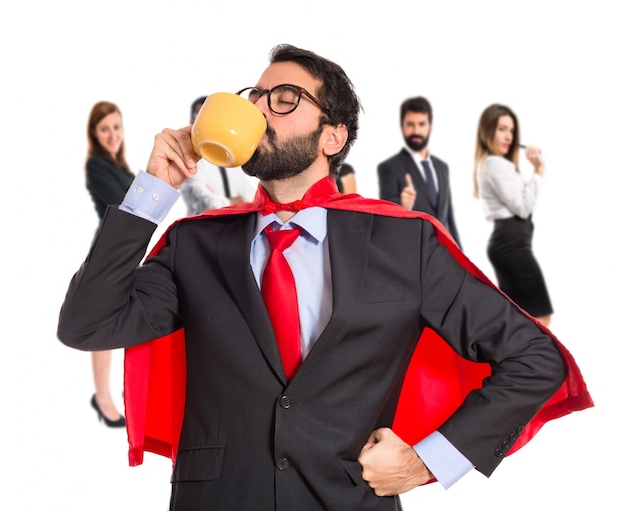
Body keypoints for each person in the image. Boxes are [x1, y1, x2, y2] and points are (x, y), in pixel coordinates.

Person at [58, 45, 592, 510]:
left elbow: (535, 359)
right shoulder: (195, 243)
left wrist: (426, 462)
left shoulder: (406, 243)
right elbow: (87, 324)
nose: (260, 111)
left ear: (333, 136)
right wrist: (152, 191)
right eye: (254, 98)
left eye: (284, 98)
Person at [473, 103, 554, 327]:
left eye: (511, 129)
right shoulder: (494, 164)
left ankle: (513, 362)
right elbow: (523, 207)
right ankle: (533, 362)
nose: (508, 136)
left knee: (520, 321)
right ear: (488, 131)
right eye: (501, 129)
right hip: (511, 244)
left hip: (512, 243)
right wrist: (538, 171)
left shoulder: (499, 164)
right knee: (540, 319)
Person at [82, 100, 134, 427]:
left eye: (116, 127)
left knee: (116, 324)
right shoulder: (97, 166)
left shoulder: (120, 165)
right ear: (95, 133)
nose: (112, 134)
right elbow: (125, 204)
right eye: (105, 129)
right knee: (103, 325)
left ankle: (114, 393)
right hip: (108, 256)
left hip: (124, 253)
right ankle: (102, 398)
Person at [377, 96, 461, 248]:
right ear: (402, 127)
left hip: (442, 256)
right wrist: (403, 206)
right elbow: (385, 218)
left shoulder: (442, 168)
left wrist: (463, 261)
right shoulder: (389, 167)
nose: (416, 131)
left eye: (421, 124)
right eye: (410, 124)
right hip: (412, 255)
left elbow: (449, 219)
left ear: (430, 127)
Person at [180, 95, 258, 215]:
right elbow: (206, 203)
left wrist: (233, 202)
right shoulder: (188, 160)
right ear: (192, 122)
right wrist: (234, 202)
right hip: (201, 228)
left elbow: (251, 198)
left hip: (235, 228)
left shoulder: (233, 160)